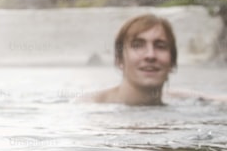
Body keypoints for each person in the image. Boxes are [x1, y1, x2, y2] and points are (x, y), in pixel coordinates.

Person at [80, 13, 225, 105]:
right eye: (137, 45)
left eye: (160, 46)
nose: (150, 55)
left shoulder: (184, 99)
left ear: (173, 61)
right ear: (119, 59)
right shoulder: (88, 106)